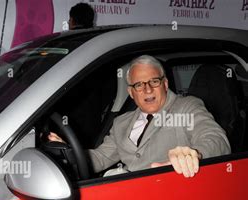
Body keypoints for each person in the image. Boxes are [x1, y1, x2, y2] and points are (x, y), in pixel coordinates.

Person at [48, 55, 231, 178]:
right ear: (131, 92)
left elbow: (216, 139)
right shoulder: (121, 122)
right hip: (129, 196)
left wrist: (195, 155)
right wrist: (70, 153)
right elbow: (100, 158)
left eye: (154, 81)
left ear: (165, 84)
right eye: (139, 85)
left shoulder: (187, 107)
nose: (147, 89)